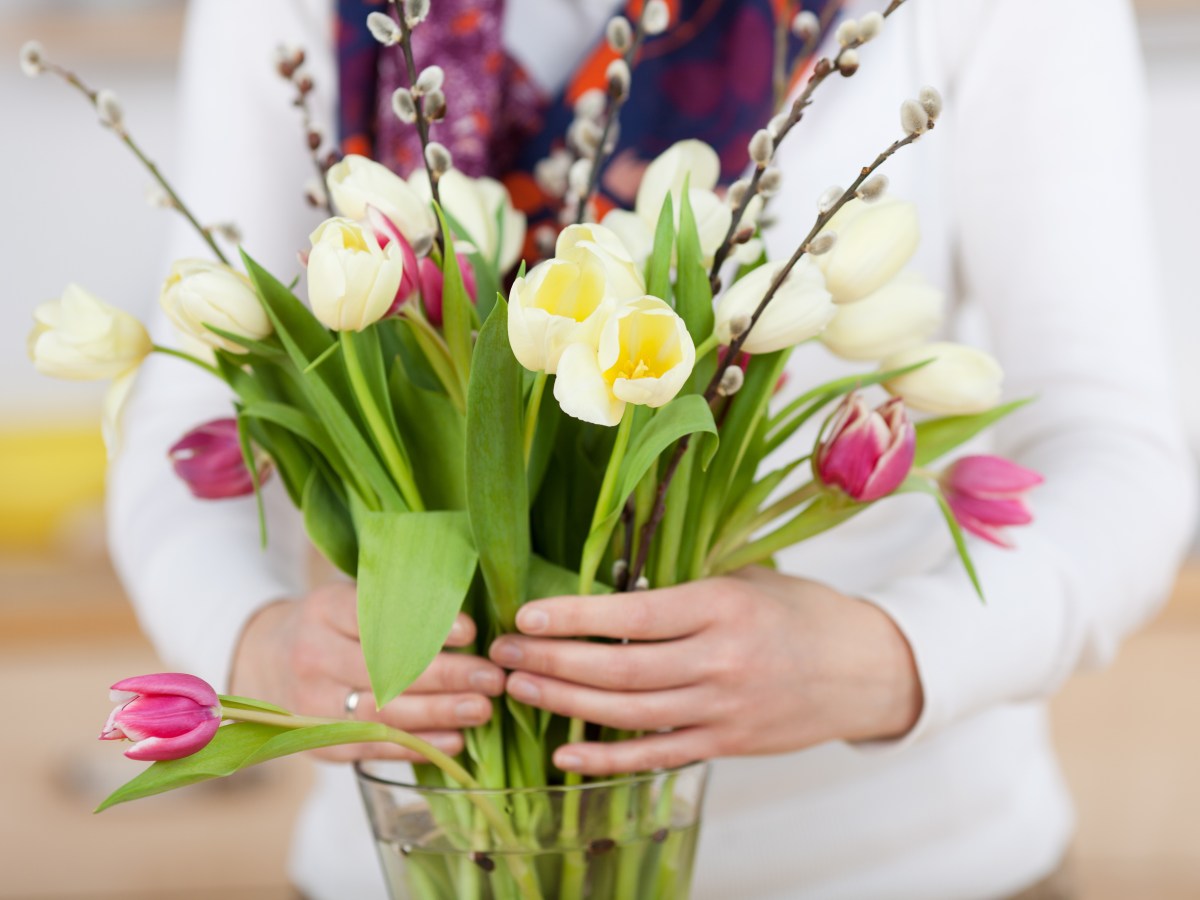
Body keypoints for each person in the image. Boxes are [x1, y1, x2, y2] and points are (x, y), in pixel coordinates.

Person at [107, 0, 1197, 898]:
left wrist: (887, 657)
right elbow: (188, 410)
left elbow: (1116, 446)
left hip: (905, 869)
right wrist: (253, 652)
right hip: (414, 864)